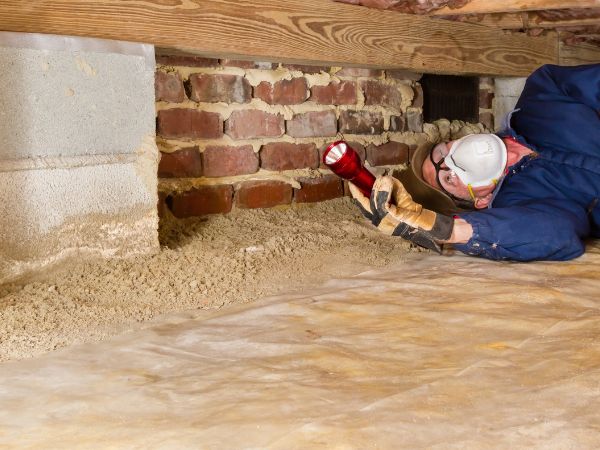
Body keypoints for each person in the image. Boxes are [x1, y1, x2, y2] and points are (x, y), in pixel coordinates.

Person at [350, 63, 600, 261]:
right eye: (447, 178)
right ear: (479, 201)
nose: (451, 161)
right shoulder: (519, 207)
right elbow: (557, 233)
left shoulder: (543, 93)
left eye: (440, 154)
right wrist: (449, 230)